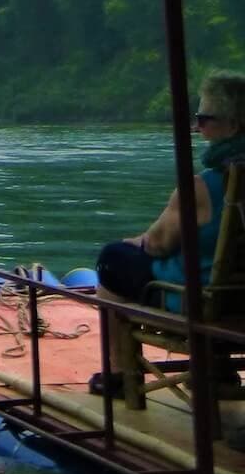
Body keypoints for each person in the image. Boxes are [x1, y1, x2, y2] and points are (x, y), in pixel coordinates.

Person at [97, 71, 245, 310]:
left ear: (232, 126)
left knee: (113, 258)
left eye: (204, 119)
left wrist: (136, 242)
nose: (197, 126)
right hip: (239, 295)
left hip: (202, 299)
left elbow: (157, 244)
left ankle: (118, 348)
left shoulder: (202, 187)